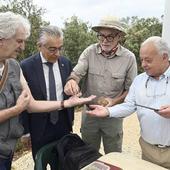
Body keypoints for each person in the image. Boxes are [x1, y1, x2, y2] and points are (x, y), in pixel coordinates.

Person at [0, 11, 95, 170]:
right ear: (1, 39)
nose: (23, 47)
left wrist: (67, 102)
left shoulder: (14, 66)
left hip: (7, 149)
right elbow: (24, 106)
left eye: (60, 48)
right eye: (19, 41)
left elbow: (30, 104)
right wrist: (19, 116)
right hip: (38, 130)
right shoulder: (26, 65)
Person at [87, 36, 170, 169]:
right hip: (148, 150)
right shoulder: (139, 81)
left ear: (164, 57)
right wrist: (108, 111)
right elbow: (130, 105)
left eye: (148, 60)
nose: (143, 64)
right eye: (142, 59)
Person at [64, 16, 137, 154]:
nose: (104, 40)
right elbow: (77, 73)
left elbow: (131, 90)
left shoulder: (129, 58)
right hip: (90, 113)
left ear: (119, 36)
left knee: (114, 154)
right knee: (87, 153)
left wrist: (114, 101)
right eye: (101, 36)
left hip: (113, 115)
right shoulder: (89, 52)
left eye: (110, 37)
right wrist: (72, 81)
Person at [20, 25, 75, 162]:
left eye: (60, 48)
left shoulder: (66, 63)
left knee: (64, 162)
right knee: (41, 162)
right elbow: (23, 101)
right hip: (39, 127)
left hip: (63, 124)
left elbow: (69, 93)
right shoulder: (26, 66)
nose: (57, 53)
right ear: (40, 46)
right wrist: (25, 131)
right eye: (52, 49)